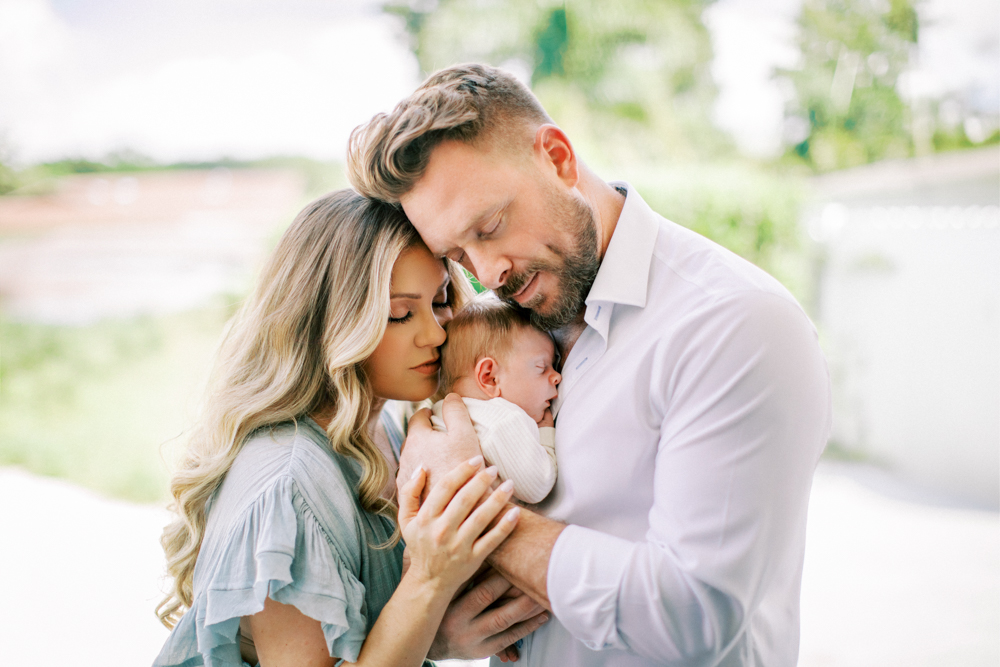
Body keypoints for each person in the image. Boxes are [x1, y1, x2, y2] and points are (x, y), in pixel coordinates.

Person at [346, 63, 833, 666]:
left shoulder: (735, 325)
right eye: (458, 254)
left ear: (557, 156)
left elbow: (695, 616)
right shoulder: (501, 319)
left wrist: (465, 506)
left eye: (491, 226)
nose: (488, 274)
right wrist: (444, 637)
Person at [152, 189, 549, 667]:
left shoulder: (385, 426)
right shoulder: (288, 486)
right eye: (400, 314)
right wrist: (430, 581)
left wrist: (433, 637)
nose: (437, 333)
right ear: (332, 324)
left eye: (441, 300)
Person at [431, 294, 561, 504]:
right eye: (541, 367)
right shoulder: (503, 420)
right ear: (489, 377)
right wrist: (546, 437)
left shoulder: (440, 414)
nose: (557, 377)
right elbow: (538, 485)